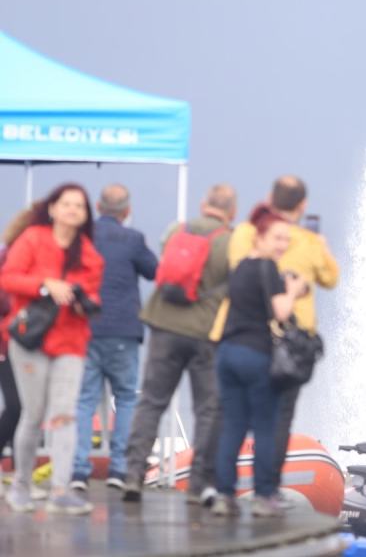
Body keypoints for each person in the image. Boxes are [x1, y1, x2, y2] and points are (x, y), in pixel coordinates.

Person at [210, 175, 339, 494]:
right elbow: (330, 278)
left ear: (269, 199)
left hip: (231, 337)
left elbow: (231, 262)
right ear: (302, 205)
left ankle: (213, 486)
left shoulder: (244, 234)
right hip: (285, 344)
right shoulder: (307, 242)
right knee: (275, 422)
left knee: (227, 418)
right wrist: (319, 252)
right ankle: (268, 491)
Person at [122, 183, 237, 504]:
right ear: (232, 212)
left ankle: (132, 474)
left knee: (151, 403)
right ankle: (198, 485)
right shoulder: (231, 242)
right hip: (205, 334)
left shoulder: (177, 230)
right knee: (208, 410)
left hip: (164, 326)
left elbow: (165, 266)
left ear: (203, 205)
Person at [0, 184, 104, 515]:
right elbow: (7, 278)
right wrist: (45, 285)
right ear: (53, 208)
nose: (73, 210)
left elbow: (93, 293)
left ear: (86, 214)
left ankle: (61, 488)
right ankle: (21, 485)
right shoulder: (32, 239)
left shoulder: (89, 254)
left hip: (71, 341)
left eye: (80, 205)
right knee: (33, 413)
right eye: (67, 203)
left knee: (64, 414)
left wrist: (86, 303)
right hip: (31, 340)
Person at [212, 205, 308, 517]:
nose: (281, 245)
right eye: (277, 238)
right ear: (260, 238)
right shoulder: (267, 267)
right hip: (254, 353)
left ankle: (224, 494)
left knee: (234, 426)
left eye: (285, 240)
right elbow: (280, 313)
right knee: (266, 428)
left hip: (227, 353)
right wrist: (293, 290)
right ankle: (264, 495)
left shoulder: (241, 267)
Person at [70, 183, 158, 492]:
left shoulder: (82, 238)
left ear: (97, 205)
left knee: (83, 402)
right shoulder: (133, 239)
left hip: (87, 328)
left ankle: (79, 471)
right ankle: (119, 469)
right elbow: (154, 271)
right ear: (128, 210)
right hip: (123, 330)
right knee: (126, 399)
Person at [0, 208, 34, 477]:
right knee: (18, 406)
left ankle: (20, 471)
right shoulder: (10, 259)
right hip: (8, 343)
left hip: (22, 343)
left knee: (22, 407)